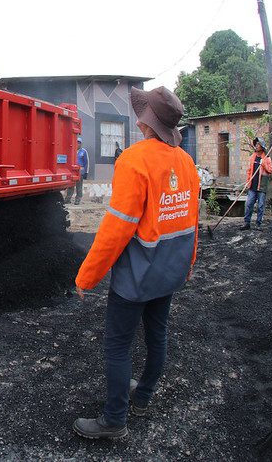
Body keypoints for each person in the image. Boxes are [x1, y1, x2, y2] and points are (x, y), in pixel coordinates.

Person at [72, 87, 200, 440]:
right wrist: (186, 266)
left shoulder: (134, 160)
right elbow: (192, 222)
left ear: (144, 121)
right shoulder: (186, 163)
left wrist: (86, 278)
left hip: (137, 275)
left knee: (117, 345)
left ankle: (114, 420)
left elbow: (115, 230)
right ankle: (141, 398)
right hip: (169, 271)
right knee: (157, 335)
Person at [241, 137, 272, 231]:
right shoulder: (253, 157)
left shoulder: (267, 158)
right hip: (252, 185)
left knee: (260, 205)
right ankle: (247, 223)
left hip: (261, 186)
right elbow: (249, 170)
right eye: (256, 144)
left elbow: (270, 170)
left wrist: (263, 164)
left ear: (262, 147)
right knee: (249, 204)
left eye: (258, 144)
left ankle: (259, 224)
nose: (256, 146)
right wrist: (248, 182)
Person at [67, 137, 89, 204]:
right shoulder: (71, 150)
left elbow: (86, 162)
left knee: (79, 186)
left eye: (79, 143)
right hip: (72, 171)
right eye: (76, 142)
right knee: (70, 185)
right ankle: (68, 199)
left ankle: (78, 199)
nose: (77, 144)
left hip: (80, 171)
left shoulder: (84, 151)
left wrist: (86, 172)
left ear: (81, 144)